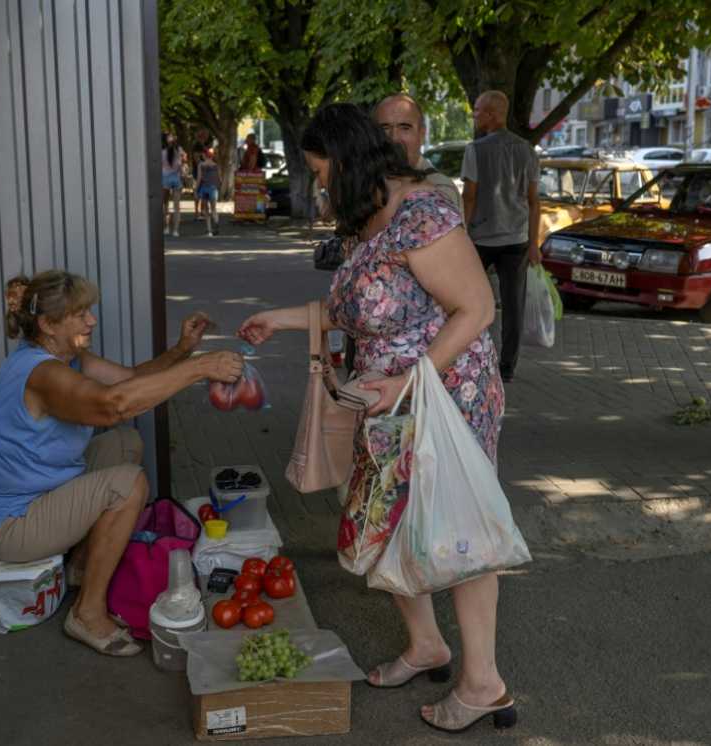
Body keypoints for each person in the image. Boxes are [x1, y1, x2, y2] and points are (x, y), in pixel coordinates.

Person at [238, 103, 514, 733]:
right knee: (383, 519)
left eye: (321, 170)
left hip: (447, 395)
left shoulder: (423, 213)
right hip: (385, 399)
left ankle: (482, 682)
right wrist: (279, 319)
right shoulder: (366, 218)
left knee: (458, 527)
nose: (319, 185)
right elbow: (364, 309)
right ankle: (426, 646)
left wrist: (409, 380)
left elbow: (476, 308)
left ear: (349, 159)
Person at [0, 271, 242, 656]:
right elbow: (114, 405)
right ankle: (87, 613)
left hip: (40, 495)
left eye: (88, 311)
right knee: (128, 484)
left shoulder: (66, 358)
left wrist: (183, 350)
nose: (91, 320)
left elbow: (129, 380)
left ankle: (80, 568)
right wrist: (199, 368)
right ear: (47, 325)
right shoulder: (42, 373)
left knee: (124, 442)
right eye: (80, 314)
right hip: (10, 525)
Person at [461, 91, 540, 383]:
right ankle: (507, 368)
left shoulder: (475, 150)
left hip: (480, 239)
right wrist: (533, 243)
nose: (474, 114)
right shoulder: (527, 150)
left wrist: (460, 233)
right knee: (513, 306)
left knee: (465, 299)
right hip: (516, 240)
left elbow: (469, 197)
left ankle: (464, 354)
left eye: (478, 110)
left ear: (493, 114)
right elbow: (534, 201)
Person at [372, 93, 462, 212]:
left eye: (405, 128)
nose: (394, 138)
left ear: (422, 134)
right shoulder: (367, 182)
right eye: (384, 128)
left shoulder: (440, 190)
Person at [162, 133, 185, 237]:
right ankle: (176, 230)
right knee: (177, 207)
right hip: (176, 179)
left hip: (165, 179)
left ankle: (166, 227)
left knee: (165, 205)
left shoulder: (162, 152)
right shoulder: (179, 152)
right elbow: (181, 165)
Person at [196, 147, 222, 235]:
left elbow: (199, 178)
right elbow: (219, 179)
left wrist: (196, 189)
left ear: (204, 155)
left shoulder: (201, 165)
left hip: (204, 188)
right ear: (212, 156)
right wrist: (218, 188)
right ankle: (216, 224)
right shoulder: (216, 165)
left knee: (206, 210)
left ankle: (209, 230)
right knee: (214, 209)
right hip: (213, 188)